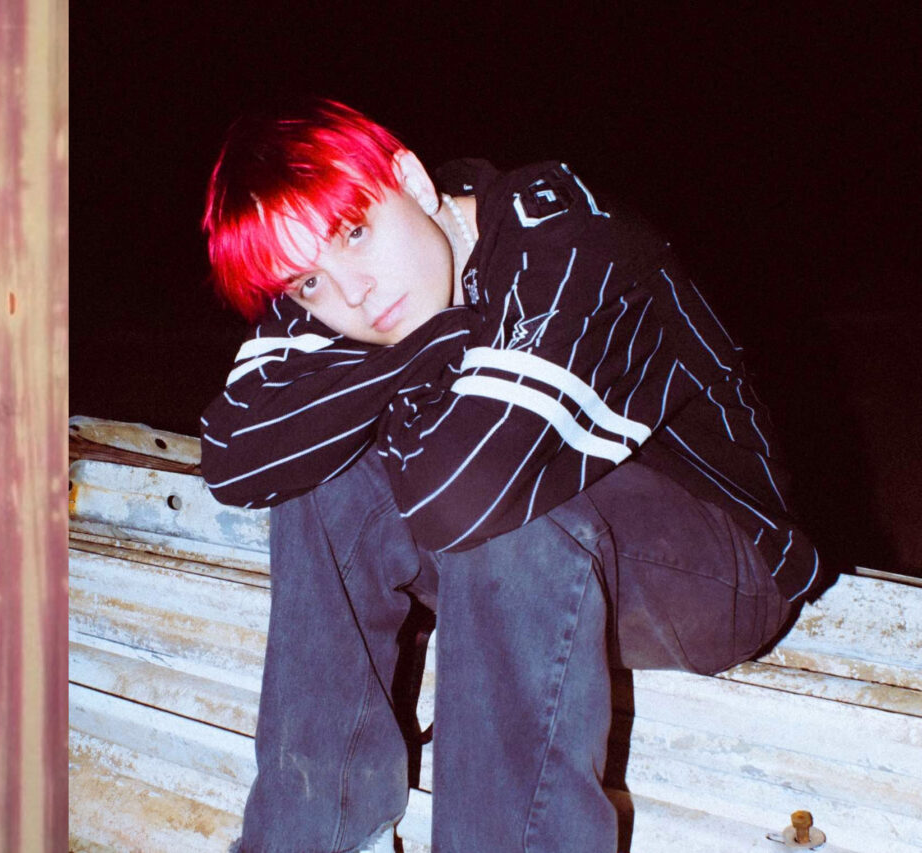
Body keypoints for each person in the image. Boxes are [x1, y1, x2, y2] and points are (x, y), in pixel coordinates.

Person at [195, 99, 815, 851]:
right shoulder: (353, 285)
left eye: (355, 233)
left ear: (411, 181)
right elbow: (234, 456)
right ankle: (316, 838)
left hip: (723, 568)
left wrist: (388, 380)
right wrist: (430, 344)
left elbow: (464, 491)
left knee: (497, 507)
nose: (353, 293)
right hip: (535, 558)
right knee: (322, 475)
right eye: (307, 284)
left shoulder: (561, 234)